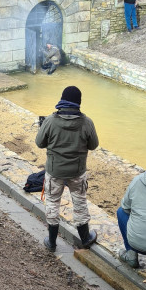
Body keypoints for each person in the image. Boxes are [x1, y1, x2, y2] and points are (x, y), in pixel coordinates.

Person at [35, 85, 99, 253]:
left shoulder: (50, 120)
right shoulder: (87, 122)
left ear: (62, 100)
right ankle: (85, 238)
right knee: (79, 203)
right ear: (79, 102)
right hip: (77, 172)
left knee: (52, 203)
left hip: (55, 171)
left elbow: (39, 143)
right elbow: (93, 145)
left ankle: (51, 242)